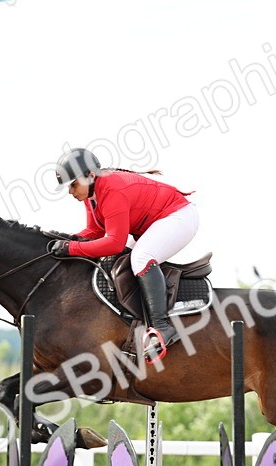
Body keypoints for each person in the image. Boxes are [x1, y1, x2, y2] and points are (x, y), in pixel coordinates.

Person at [49, 147, 199, 363]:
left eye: (73, 184)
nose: (71, 192)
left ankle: (162, 327)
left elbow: (114, 242)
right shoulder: (91, 194)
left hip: (178, 217)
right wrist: (66, 240)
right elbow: (94, 232)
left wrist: (71, 248)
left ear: (90, 175)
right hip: (154, 223)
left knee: (140, 258)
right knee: (118, 262)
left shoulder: (111, 189)